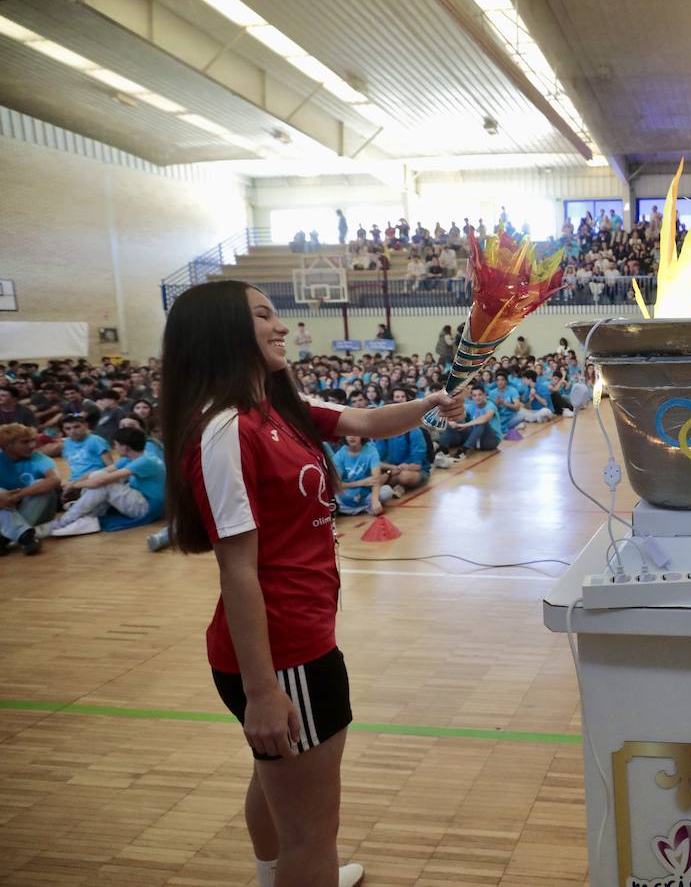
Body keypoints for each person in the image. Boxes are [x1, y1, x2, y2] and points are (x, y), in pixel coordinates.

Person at [159, 280, 464, 887]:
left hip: (295, 641)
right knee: (312, 838)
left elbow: (367, 419)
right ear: (222, 331)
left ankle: (274, 876)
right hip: (284, 653)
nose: (281, 326)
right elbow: (237, 567)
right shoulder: (227, 430)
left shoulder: (277, 408)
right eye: (265, 315)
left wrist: (432, 400)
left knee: (273, 781)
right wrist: (264, 691)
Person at [49, 426, 165, 537]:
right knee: (98, 474)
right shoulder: (134, 457)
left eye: (116, 444)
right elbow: (100, 472)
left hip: (147, 508)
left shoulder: (145, 461)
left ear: (125, 447)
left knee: (105, 484)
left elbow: (101, 481)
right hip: (141, 498)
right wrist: (72, 483)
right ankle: (82, 514)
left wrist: (74, 485)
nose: (115, 447)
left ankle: (66, 520)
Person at [0, 422, 60, 555]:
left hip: (36, 511)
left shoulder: (38, 458)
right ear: (8, 445)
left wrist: (18, 495)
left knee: (41, 484)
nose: (32, 445)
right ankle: (23, 535)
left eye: (32, 441)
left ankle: (5, 536)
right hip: (8, 511)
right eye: (25, 442)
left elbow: (54, 480)